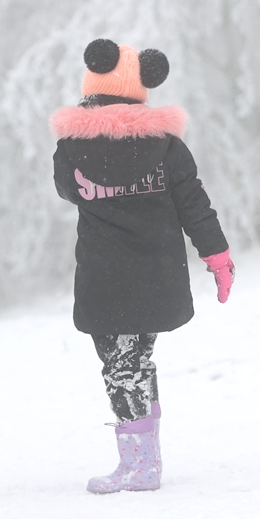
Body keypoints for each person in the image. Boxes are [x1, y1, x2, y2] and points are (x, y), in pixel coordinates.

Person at [51, 39, 235, 493]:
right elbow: (195, 205)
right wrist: (217, 256)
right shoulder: (167, 148)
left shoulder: (71, 150)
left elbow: (66, 191)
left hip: (103, 274)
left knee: (121, 366)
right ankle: (143, 458)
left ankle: (139, 466)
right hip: (156, 274)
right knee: (137, 361)